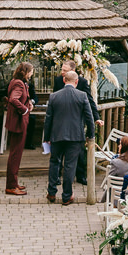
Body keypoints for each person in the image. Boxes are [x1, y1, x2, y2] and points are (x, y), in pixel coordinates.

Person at [44, 69, 94, 205]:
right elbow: (89, 117)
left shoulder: (54, 96)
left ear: (64, 80)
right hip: (75, 137)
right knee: (70, 166)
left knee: (54, 163)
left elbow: (48, 119)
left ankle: (51, 192)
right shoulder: (82, 96)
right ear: (76, 82)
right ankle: (66, 196)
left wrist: (46, 137)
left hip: (56, 135)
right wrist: (90, 135)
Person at [4, 61, 34, 196]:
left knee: (16, 154)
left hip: (18, 122)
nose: (32, 74)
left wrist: (29, 103)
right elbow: (13, 99)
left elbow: (21, 98)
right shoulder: (19, 83)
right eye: (31, 71)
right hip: (18, 123)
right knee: (15, 155)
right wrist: (24, 110)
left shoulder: (17, 82)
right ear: (26, 72)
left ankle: (14, 183)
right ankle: (11, 186)